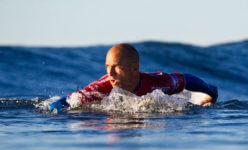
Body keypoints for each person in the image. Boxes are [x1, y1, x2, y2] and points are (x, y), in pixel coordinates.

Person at [50, 43, 218, 111]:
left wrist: (210, 91)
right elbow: (70, 100)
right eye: (108, 67)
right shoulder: (103, 87)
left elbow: (185, 79)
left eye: (117, 67)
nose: (110, 73)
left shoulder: (155, 83)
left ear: (134, 68)